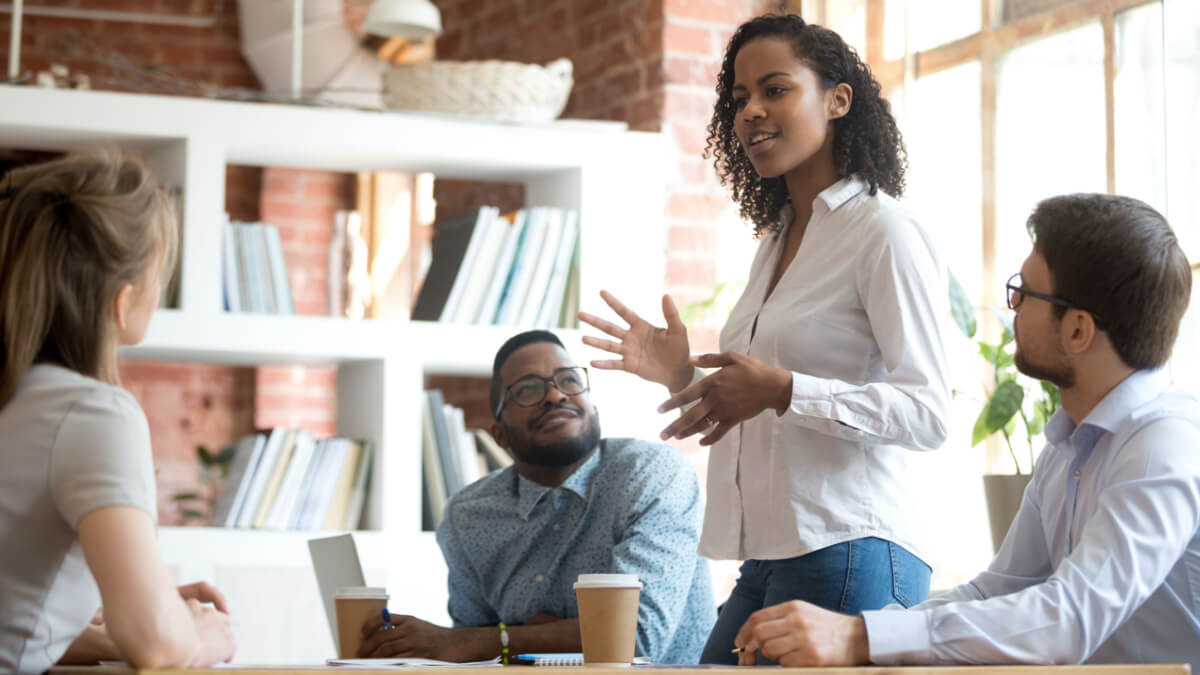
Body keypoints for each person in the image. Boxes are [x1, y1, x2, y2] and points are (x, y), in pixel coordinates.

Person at [578, 13, 949, 664]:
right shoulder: (775, 243)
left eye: (775, 89)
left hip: (854, 548)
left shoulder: (882, 233)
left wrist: (782, 389)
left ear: (838, 100)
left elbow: (928, 411)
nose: (750, 111)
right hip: (772, 556)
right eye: (739, 98)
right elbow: (763, 400)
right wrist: (680, 376)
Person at [733, 193, 1200, 670]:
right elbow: (996, 589)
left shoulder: (1164, 445)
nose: (1012, 306)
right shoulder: (1072, 445)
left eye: (1025, 293)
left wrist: (861, 638)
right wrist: (869, 634)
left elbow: (1068, 619)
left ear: (1078, 330)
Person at [0, 152, 237, 672]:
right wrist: (197, 634)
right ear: (123, 300)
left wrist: (128, 617)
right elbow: (158, 649)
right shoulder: (93, 413)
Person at [357, 330, 715, 664]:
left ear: (594, 410)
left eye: (570, 381)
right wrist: (523, 638)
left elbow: (633, 639)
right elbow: (475, 659)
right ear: (500, 434)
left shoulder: (652, 474)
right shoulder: (467, 516)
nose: (555, 395)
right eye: (528, 389)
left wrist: (499, 639)